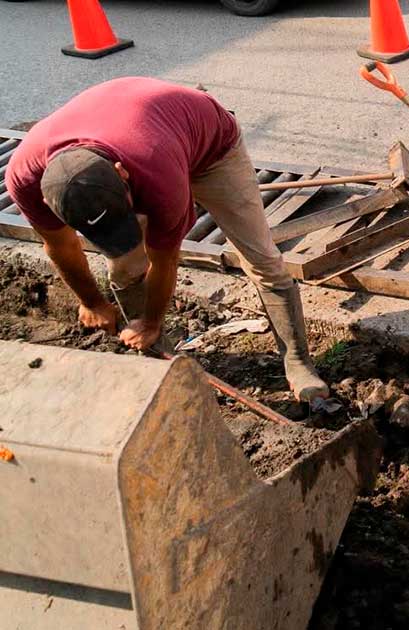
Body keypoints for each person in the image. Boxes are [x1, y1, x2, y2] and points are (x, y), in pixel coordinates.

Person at [5, 77, 329, 402]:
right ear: (49, 204)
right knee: (122, 269)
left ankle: (298, 362)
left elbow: (165, 260)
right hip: (143, 130)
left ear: (121, 173)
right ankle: (162, 363)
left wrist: (151, 321)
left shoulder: (157, 176)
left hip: (212, 146)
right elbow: (60, 245)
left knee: (262, 258)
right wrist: (91, 301)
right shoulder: (25, 178)